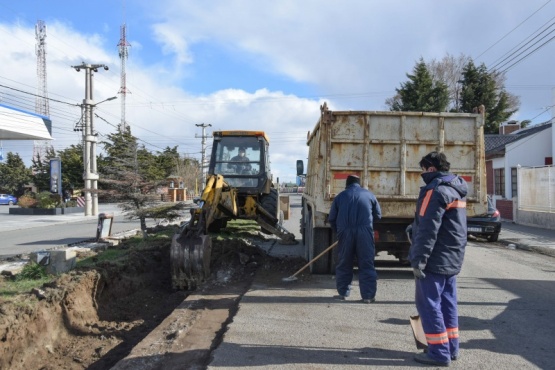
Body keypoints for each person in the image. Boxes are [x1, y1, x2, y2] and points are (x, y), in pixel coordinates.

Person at [408, 151, 468, 367]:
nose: (422, 174)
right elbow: (446, 224)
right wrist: (414, 226)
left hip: (434, 258)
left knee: (429, 303)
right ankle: (452, 349)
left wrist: (418, 260)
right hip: (452, 257)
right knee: (447, 303)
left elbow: (428, 228)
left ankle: (438, 353)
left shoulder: (434, 191)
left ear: (431, 169)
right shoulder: (457, 190)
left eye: (423, 169)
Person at [328, 174, 382, 303]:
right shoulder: (369, 195)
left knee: (344, 263)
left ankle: (343, 293)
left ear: (347, 184)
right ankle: (368, 296)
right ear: (359, 183)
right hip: (364, 232)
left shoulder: (340, 197)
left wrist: (340, 231)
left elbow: (331, 219)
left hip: (345, 232)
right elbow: (378, 216)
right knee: (367, 263)